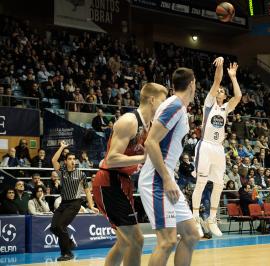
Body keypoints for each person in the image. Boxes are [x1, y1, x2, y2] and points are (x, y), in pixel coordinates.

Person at [92, 82, 168, 266]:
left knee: (125, 242)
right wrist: (143, 158)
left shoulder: (149, 125)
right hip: (109, 181)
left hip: (123, 182)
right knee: (135, 241)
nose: (165, 105)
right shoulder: (129, 121)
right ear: (152, 100)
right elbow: (111, 159)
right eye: (162, 101)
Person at [139, 67, 200, 266]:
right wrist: (166, 178)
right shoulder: (174, 106)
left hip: (165, 178)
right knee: (167, 241)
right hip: (157, 179)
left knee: (191, 234)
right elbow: (151, 142)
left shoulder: (178, 107)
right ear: (192, 84)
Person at [191, 58, 242, 237]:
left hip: (219, 149)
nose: (219, 91)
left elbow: (238, 97)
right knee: (201, 182)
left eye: (221, 91)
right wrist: (220, 67)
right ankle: (195, 218)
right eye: (217, 91)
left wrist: (234, 77)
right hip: (205, 146)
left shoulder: (226, 108)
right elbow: (217, 81)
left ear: (224, 96)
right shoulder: (209, 104)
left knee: (219, 184)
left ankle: (212, 218)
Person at [50, 141, 99, 261]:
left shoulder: (81, 174)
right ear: (65, 161)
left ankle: (67, 253)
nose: (72, 161)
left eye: (74, 159)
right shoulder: (62, 172)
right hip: (63, 203)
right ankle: (69, 242)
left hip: (75, 203)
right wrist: (61, 147)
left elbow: (87, 191)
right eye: (70, 159)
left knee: (61, 226)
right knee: (53, 227)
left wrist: (91, 206)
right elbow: (53, 161)